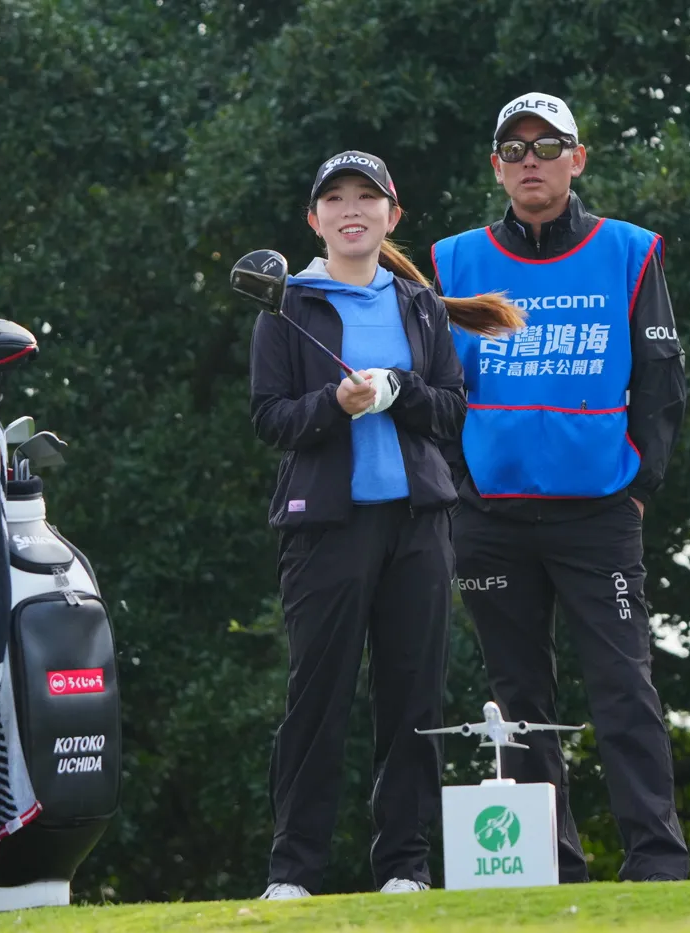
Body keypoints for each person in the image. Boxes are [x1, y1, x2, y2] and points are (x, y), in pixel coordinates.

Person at [430, 93, 690, 883]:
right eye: (515, 149)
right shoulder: (454, 261)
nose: (531, 162)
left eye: (548, 147)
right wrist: (460, 487)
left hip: (599, 514)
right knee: (517, 697)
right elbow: (434, 389)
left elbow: (663, 380)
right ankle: (549, 869)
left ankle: (656, 860)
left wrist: (638, 487)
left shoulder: (629, 251)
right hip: (491, 516)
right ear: (496, 167)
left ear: (577, 159)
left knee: (623, 683)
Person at [249, 151, 522, 899]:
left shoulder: (419, 305)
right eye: (335, 199)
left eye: (366, 198)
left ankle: (405, 866)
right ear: (315, 220)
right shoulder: (287, 304)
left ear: (391, 215)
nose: (352, 210)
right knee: (317, 699)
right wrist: (332, 406)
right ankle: (293, 873)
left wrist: (399, 389)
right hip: (324, 529)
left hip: (417, 527)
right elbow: (270, 417)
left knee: (412, 702)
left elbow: (451, 409)